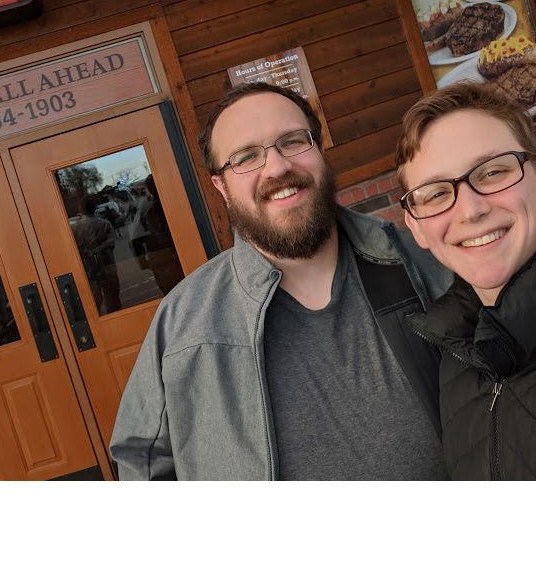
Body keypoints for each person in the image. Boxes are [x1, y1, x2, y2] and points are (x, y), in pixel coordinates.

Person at [110, 81, 453, 480]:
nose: (277, 167)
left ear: (318, 149)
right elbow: (141, 464)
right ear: (221, 186)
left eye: (292, 141)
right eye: (246, 157)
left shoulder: (422, 260)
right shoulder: (183, 322)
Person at [396, 81, 536, 480]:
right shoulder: (455, 359)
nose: (470, 210)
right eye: (435, 194)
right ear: (416, 228)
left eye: (492, 172)